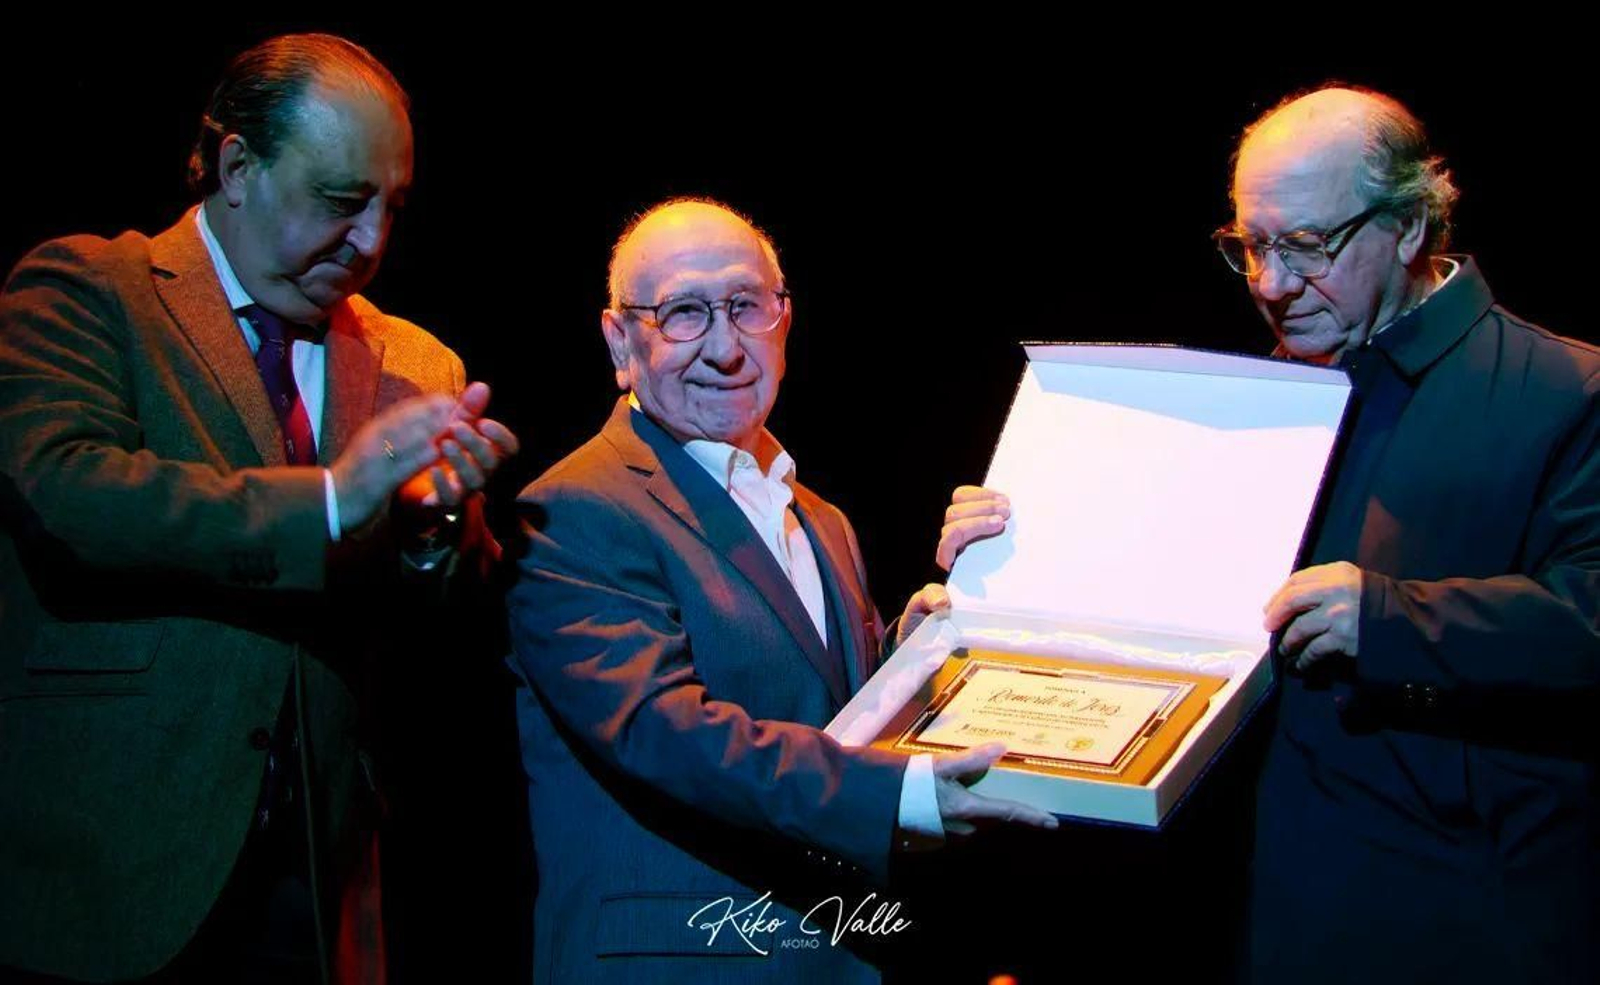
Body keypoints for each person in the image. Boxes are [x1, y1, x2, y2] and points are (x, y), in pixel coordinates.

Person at [941, 85, 1600, 984]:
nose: (1271, 284)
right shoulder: (1247, 402)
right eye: (1249, 245)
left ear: (1409, 228)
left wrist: (1390, 618)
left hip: (1461, 924)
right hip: (1242, 914)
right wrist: (1003, 566)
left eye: (1305, 246)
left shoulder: (1566, 392)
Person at [0, 33, 517, 984]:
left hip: (319, 885)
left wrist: (434, 533)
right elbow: (67, 495)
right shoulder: (88, 290)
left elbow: (453, 637)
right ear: (236, 165)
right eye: (340, 201)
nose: (370, 242)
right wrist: (332, 499)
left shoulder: (416, 364)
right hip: (109, 860)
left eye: (391, 208)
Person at [506, 197, 1056, 984]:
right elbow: (667, 732)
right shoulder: (579, 509)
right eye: (685, 314)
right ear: (621, 340)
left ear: (784, 320)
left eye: (745, 307)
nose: (726, 346)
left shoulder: (819, 516)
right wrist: (899, 793)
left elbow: (832, 711)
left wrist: (932, 640)